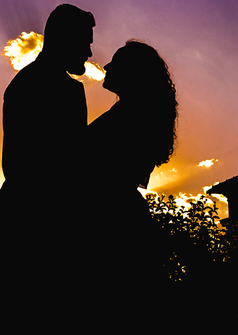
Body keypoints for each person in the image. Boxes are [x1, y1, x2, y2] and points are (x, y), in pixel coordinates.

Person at [0, 3, 95, 302]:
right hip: (50, 228)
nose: (90, 54)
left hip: (20, 219)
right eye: (85, 43)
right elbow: (76, 165)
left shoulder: (21, 83)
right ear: (66, 39)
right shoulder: (68, 92)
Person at [85, 40, 178, 297]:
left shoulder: (129, 119)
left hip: (112, 223)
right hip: (119, 217)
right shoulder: (133, 115)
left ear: (131, 73)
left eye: (115, 62)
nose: (106, 66)